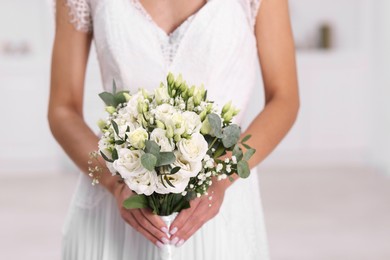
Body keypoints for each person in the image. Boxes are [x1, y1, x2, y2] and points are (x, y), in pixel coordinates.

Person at [48, 0, 299, 259]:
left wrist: (221, 177)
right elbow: (62, 109)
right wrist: (115, 184)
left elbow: (284, 98)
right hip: (116, 208)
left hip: (219, 207)